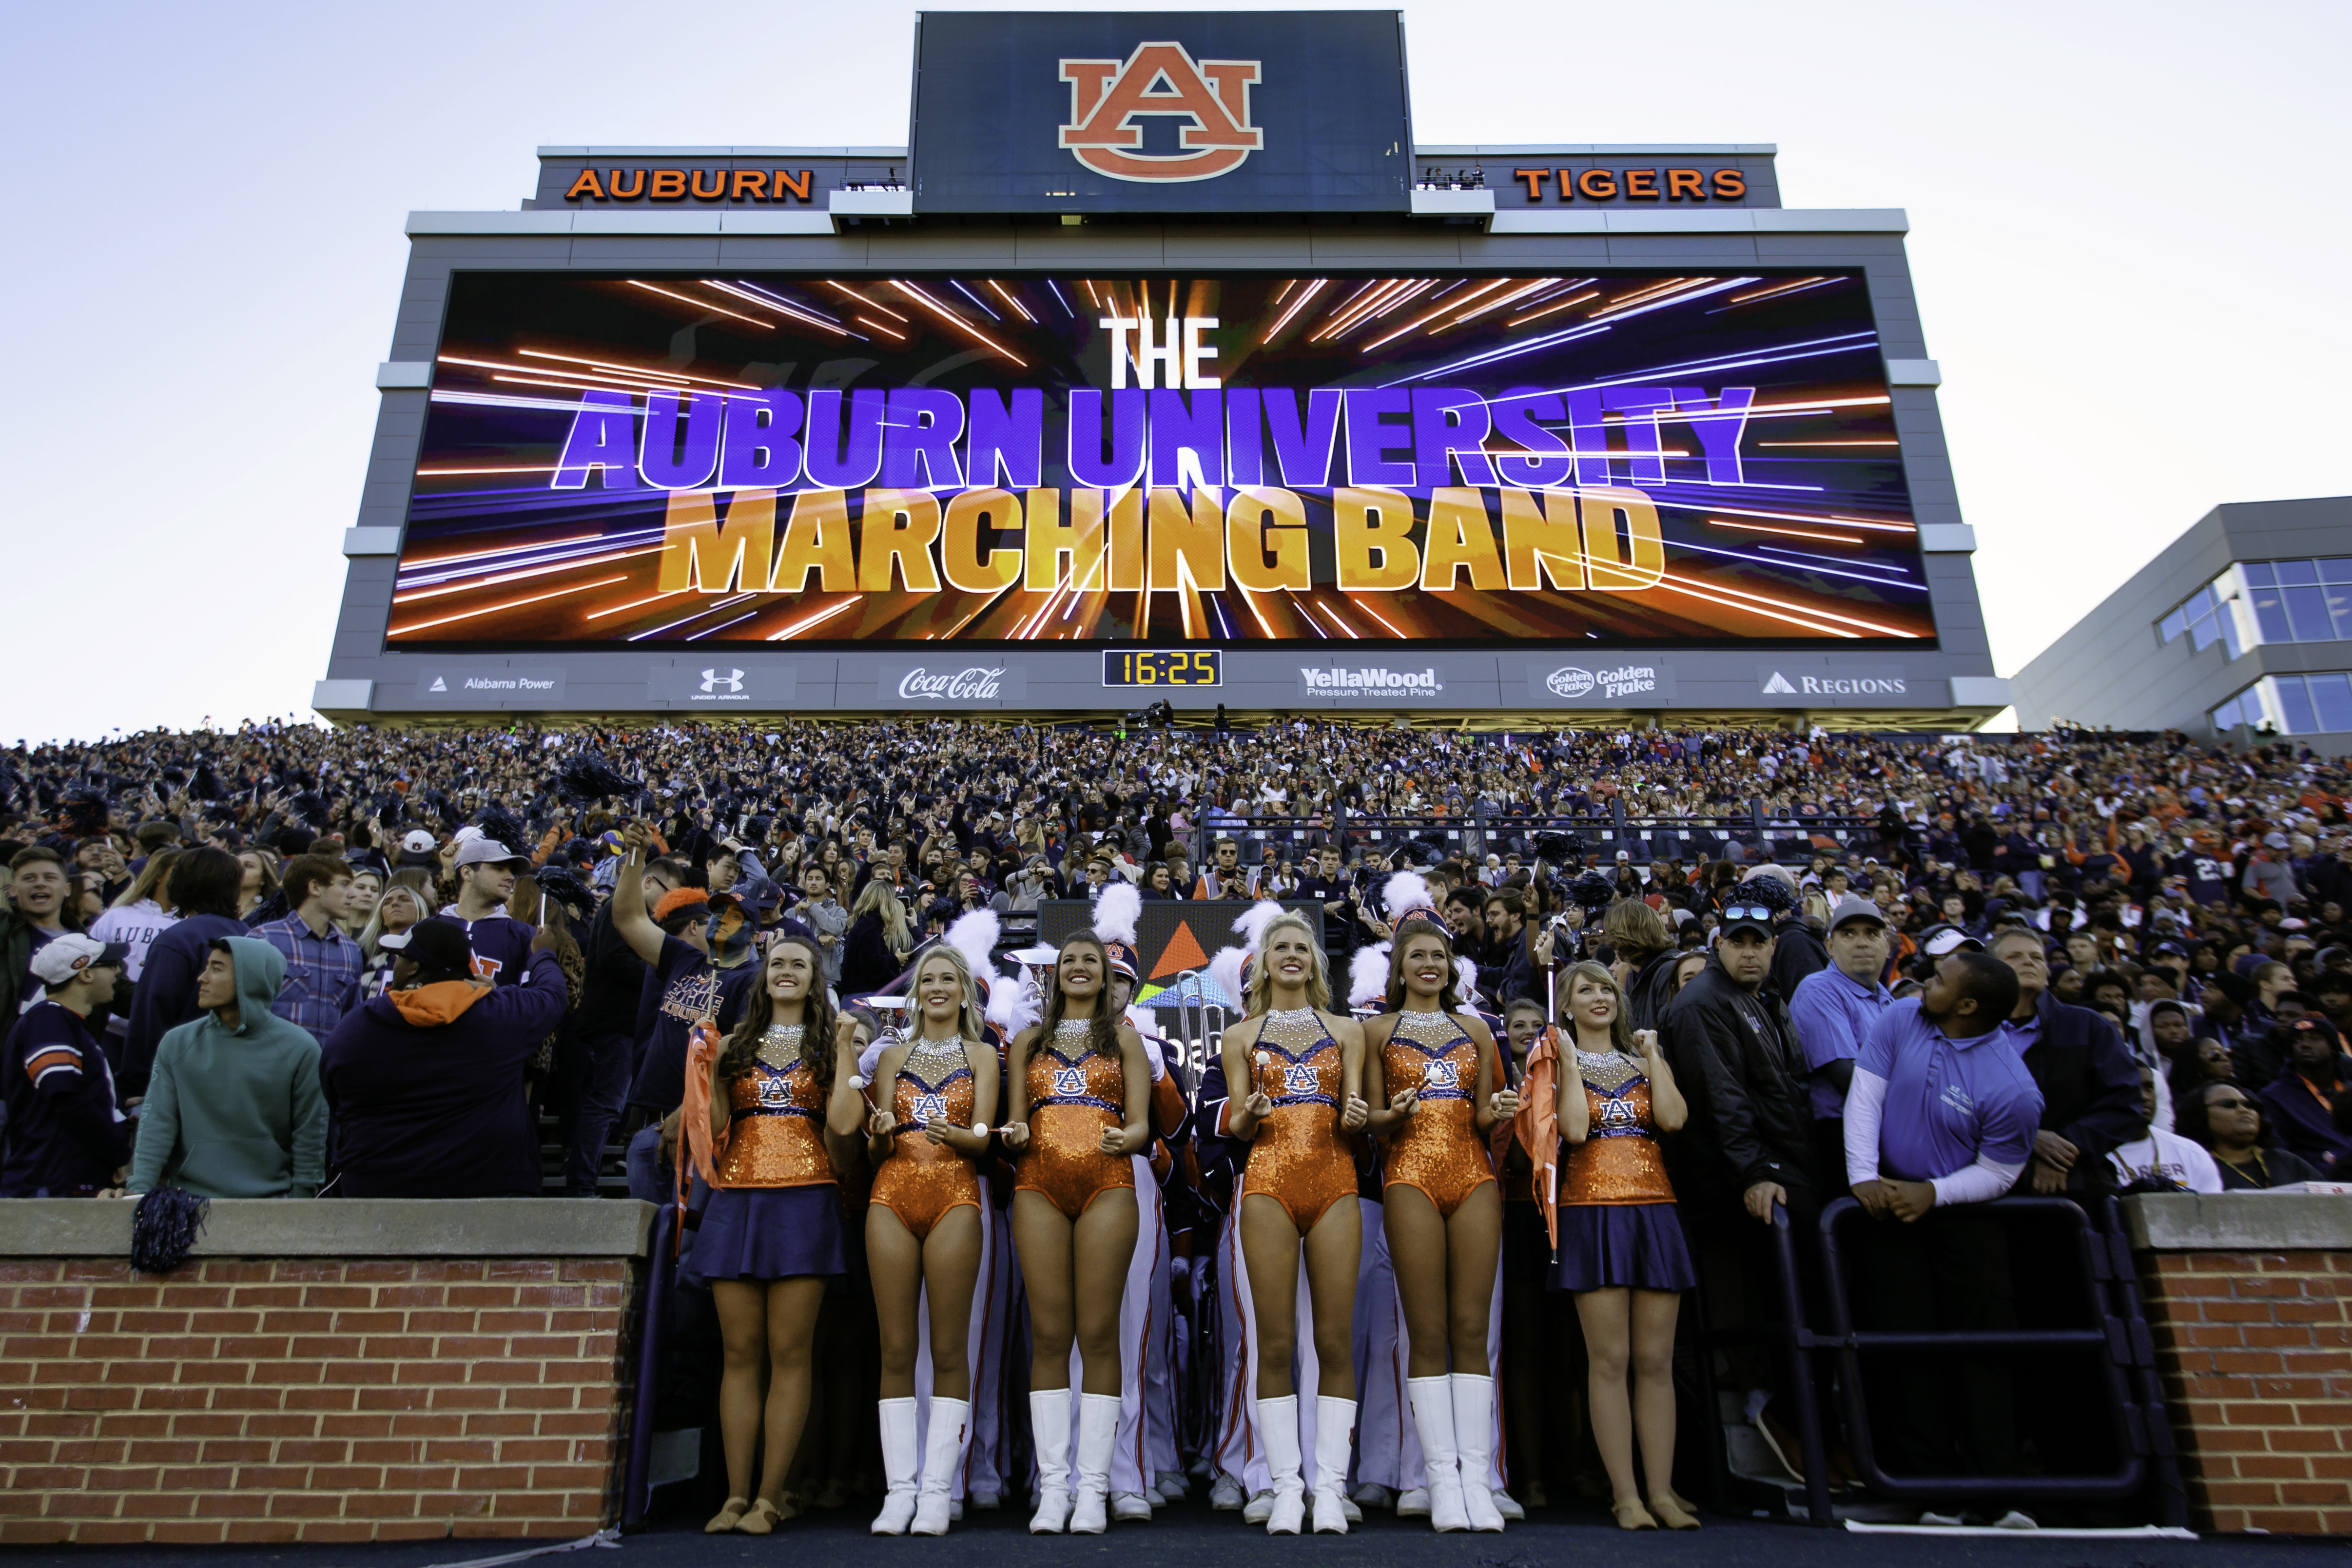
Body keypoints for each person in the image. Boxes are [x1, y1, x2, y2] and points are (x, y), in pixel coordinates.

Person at [1843, 951, 2041, 1525]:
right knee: (1900, 1346)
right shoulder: (1901, 1018)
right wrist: (1861, 1174)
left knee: (1979, 1352)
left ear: (1967, 1005)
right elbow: (1865, 1097)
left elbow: (2000, 1172)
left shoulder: (2014, 1088)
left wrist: (1935, 1191)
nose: (1924, 984)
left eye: (1938, 981)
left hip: (1964, 1220)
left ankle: (1992, 1491)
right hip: (1886, 1207)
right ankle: (1918, 1483)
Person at [680, 934, 865, 1536]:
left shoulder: (827, 1044)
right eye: (777, 963)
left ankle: (771, 1493)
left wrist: (844, 1055)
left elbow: (842, 1134)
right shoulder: (731, 1046)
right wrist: (699, 1069)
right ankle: (735, 1494)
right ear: (763, 977)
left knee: (791, 1355)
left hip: (807, 1202)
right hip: (737, 1201)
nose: (786, 971)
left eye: (799, 965)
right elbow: (711, 1134)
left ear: (816, 980)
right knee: (739, 1355)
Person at [1220, 911, 1369, 1535]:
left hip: (1334, 1180)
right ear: (1263, 961)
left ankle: (1329, 1486)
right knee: (1274, 1341)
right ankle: (1284, 1485)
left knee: (1334, 1340)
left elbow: (1352, 1117)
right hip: (1268, 1183)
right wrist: (1250, 1112)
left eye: (1300, 947)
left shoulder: (1347, 1030)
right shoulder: (1240, 1035)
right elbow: (1234, 1126)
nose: (1291, 955)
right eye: (1279, 946)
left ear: (1314, 961)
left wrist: (1358, 1112)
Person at [1363, 913, 1514, 1533]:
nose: (1430, 964)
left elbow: (1484, 1117)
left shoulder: (1477, 1029)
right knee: (1425, 1332)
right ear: (1398, 968)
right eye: (1417, 955)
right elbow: (1371, 1122)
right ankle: (1440, 1479)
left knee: (1471, 1330)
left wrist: (1497, 1109)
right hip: (1407, 1177)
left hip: (1472, 1175)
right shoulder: (1376, 1030)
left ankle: (1477, 1479)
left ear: (1452, 967)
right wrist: (1390, 1113)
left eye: (1439, 956)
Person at [1001, 932, 1151, 1535]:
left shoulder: (1126, 1040)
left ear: (1107, 971)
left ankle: (1094, 1488)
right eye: (1071, 961)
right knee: (1049, 1333)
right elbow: (1017, 1119)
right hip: (1038, 1184)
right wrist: (1013, 1133)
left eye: (1092, 960)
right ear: (1055, 975)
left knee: (1097, 1333)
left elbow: (1141, 1124)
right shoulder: (1027, 1042)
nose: (1082, 968)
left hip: (1108, 1184)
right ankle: (1053, 1486)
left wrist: (1128, 1137)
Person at [1551, 961, 1698, 1531]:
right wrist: (1567, 1062)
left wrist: (1653, 1057)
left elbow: (1674, 1118)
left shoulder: (1642, 1062)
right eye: (1584, 990)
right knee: (1609, 1360)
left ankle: (1661, 1491)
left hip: (1654, 1209)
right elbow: (1575, 1130)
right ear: (1565, 1005)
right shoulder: (1559, 1062)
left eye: (1606, 988)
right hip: (1591, 1212)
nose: (1598, 997)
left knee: (1656, 1361)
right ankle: (1625, 1494)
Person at [863, 945, 998, 1536]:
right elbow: (877, 1149)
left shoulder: (984, 1054)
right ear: (917, 992)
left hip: (956, 1195)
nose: (938, 987)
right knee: (896, 1349)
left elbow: (985, 1139)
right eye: (929, 980)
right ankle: (900, 1490)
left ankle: (939, 1489)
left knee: (948, 1349)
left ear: (965, 991)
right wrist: (879, 1133)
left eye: (948, 979)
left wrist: (956, 1134)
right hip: (891, 1195)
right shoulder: (891, 1055)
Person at [317, 916, 568, 1198]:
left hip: (379, 1194)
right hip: (492, 1195)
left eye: (400, 957)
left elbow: (334, 1094)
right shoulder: (502, 1015)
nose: (395, 965)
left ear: (413, 967)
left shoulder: (358, 1026)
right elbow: (554, 995)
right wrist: (544, 954)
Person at [122, 938, 326, 1199]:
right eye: (207, 967)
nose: (202, 978)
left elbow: (310, 1136)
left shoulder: (301, 1049)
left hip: (271, 1204)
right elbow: (157, 1123)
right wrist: (139, 1191)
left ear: (249, 979)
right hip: (187, 1202)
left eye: (216, 969)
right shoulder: (178, 1043)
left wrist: (301, 1202)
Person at [1986, 927, 2144, 1194]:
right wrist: (2029, 1140)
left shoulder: (2090, 1027)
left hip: (2074, 1186)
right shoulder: (1965, 1030)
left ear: (2048, 974)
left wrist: (2065, 1151)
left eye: (2037, 958)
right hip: (1983, 1184)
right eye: (2015, 956)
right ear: (1990, 973)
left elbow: (2124, 1103)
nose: (2028, 962)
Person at [0, 935, 131, 1197]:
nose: (118, 971)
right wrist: (118, 1153)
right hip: (51, 1182)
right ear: (85, 974)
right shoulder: (49, 1021)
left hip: (62, 1180)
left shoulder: (61, 1022)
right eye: (110, 964)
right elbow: (67, 1097)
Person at [122, 848, 251, 1098]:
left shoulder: (178, 939)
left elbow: (152, 1016)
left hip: (178, 1084)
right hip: (236, 1081)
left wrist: (135, 1085)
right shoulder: (253, 934)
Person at [1787, 896, 1896, 1179]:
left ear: (1888, 946)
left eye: (1872, 934)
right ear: (1830, 947)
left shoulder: (1889, 1000)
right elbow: (1847, 1077)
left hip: (1886, 1127)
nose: (1862, 943)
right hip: (1840, 1135)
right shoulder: (1819, 989)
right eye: (1849, 934)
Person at [248, 854, 363, 1043]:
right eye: (344, 884)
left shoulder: (351, 950)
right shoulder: (265, 939)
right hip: (272, 1063)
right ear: (315, 888)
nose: (352, 894)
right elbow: (245, 1010)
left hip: (324, 1065)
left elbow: (351, 1018)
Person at [2175, 1080, 2322, 1190]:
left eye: (2249, 1105)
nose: (2244, 1110)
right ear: (2199, 1114)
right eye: (2228, 1104)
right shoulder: (2194, 1168)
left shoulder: (2288, 1162)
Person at [2106, 1064, 2224, 1192]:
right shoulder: (2089, 1153)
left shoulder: (2192, 1153)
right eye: (2132, 1087)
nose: (2144, 1096)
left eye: (2149, 1088)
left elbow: (2211, 1209)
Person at [2256, 1019, 2352, 1176]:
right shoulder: (2274, 1096)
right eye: (2297, 1041)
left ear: (2334, 1048)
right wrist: (2323, 1158)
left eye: (2314, 1038)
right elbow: (2278, 1155)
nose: (2304, 1044)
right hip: (2323, 1181)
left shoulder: (2349, 1090)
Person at [441, 837, 537, 983]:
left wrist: (497, 998)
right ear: (467, 873)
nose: (511, 877)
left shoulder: (526, 937)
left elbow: (537, 1001)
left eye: (511, 871)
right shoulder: (425, 930)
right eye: (499, 869)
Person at [2, 847, 79, 1023]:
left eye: (50, 878)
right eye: (29, 878)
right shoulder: (4, 929)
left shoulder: (89, 946)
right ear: (12, 890)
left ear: (68, 889)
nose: (40, 883)